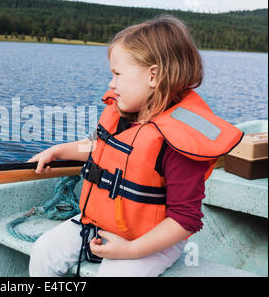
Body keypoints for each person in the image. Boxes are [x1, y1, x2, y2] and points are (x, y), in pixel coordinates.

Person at [27, 14, 243, 277]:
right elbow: (98, 149)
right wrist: (59, 151)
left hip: (152, 238)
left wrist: (132, 250)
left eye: (117, 74)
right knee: (44, 251)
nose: (111, 83)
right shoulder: (124, 114)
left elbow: (185, 219)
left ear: (153, 76)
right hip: (97, 222)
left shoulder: (178, 143)